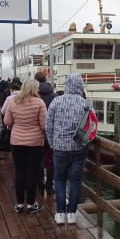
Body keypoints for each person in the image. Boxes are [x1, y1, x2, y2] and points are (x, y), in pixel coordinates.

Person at [45, 73, 91, 225]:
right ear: (80, 85)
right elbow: (92, 126)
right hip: (79, 148)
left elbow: (48, 125)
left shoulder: (56, 101)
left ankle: (60, 213)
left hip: (59, 148)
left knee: (59, 180)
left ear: (67, 85)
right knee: (75, 180)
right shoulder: (86, 103)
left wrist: (52, 143)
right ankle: (71, 213)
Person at [3, 78, 47, 213]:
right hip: (35, 143)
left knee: (20, 172)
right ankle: (31, 204)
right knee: (31, 173)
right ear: (34, 88)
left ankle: (19, 204)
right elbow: (44, 125)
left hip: (17, 142)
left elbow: (7, 121)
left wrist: (18, 124)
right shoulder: (39, 103)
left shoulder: (13, 101)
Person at [34, 71, 57, 194]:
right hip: (51, 133)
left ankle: (39, 184)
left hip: (37, 133)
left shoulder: (34, 96)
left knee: (38, 159)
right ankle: (49, 185)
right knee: (50, 160)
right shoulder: (54, 96)